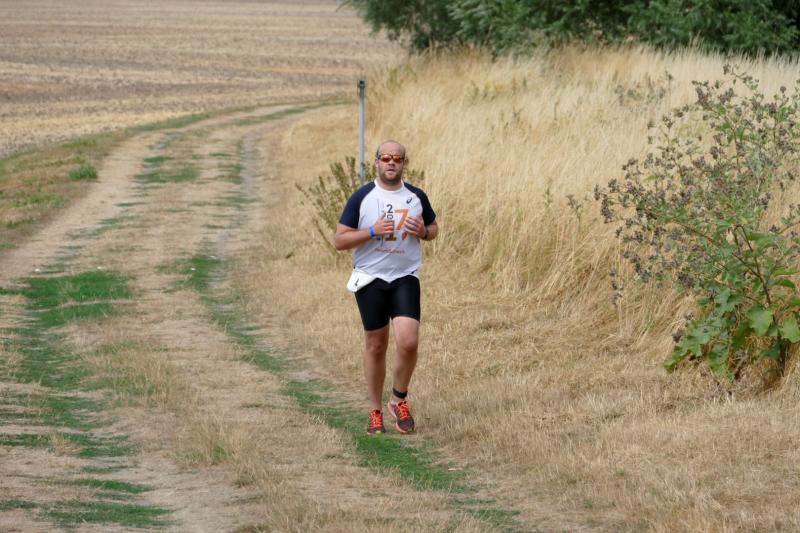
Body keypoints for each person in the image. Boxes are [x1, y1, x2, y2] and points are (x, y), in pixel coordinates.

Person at [334, 140, 438, 435]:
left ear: (405, 163)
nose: (391, 162)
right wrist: (371, 231)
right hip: (371, 278)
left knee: (408, 341)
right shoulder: (362, 196)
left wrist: (424, 231)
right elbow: (339, 240)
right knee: (376, 345)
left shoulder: (416, 196)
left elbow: (434, 228)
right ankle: (374, 411)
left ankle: (398, 399)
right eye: (386, 158)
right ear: (376, 162)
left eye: (397, 158)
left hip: (405, 276)